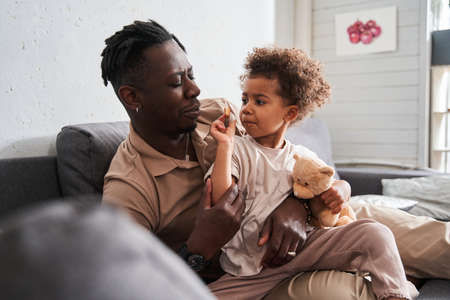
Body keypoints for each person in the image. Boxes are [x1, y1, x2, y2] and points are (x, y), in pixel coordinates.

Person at [100, 20, 449, 300]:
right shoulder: (128, 189)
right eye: (177, 82)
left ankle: (403, 266)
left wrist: (297, 203)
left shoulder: (214, 113)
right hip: (255, 268)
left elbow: (285, 159)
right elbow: (126, 287)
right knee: (347, 292)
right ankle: (400, 278)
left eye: (191, 74)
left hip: (318, 219)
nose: (194, 89)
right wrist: (200, 246)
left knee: (419, 237)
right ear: (133, 97)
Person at [205, 47, 418, 300]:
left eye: (259, 101)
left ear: (290, 113)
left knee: (376, 233)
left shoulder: (301, 155)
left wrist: (343, 189)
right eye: (245, 100)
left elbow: (331, 182)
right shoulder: (238, 149)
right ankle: (398, 281)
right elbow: (221, 199)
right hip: (251, 270)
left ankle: (395, 293)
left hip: (305, 246)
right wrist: (225, 145)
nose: (247, 109)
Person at [0, 198, 215, 300]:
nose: (194, 104)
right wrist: (198, 249)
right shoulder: (126, 194)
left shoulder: (213, 122)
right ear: (134, 104)